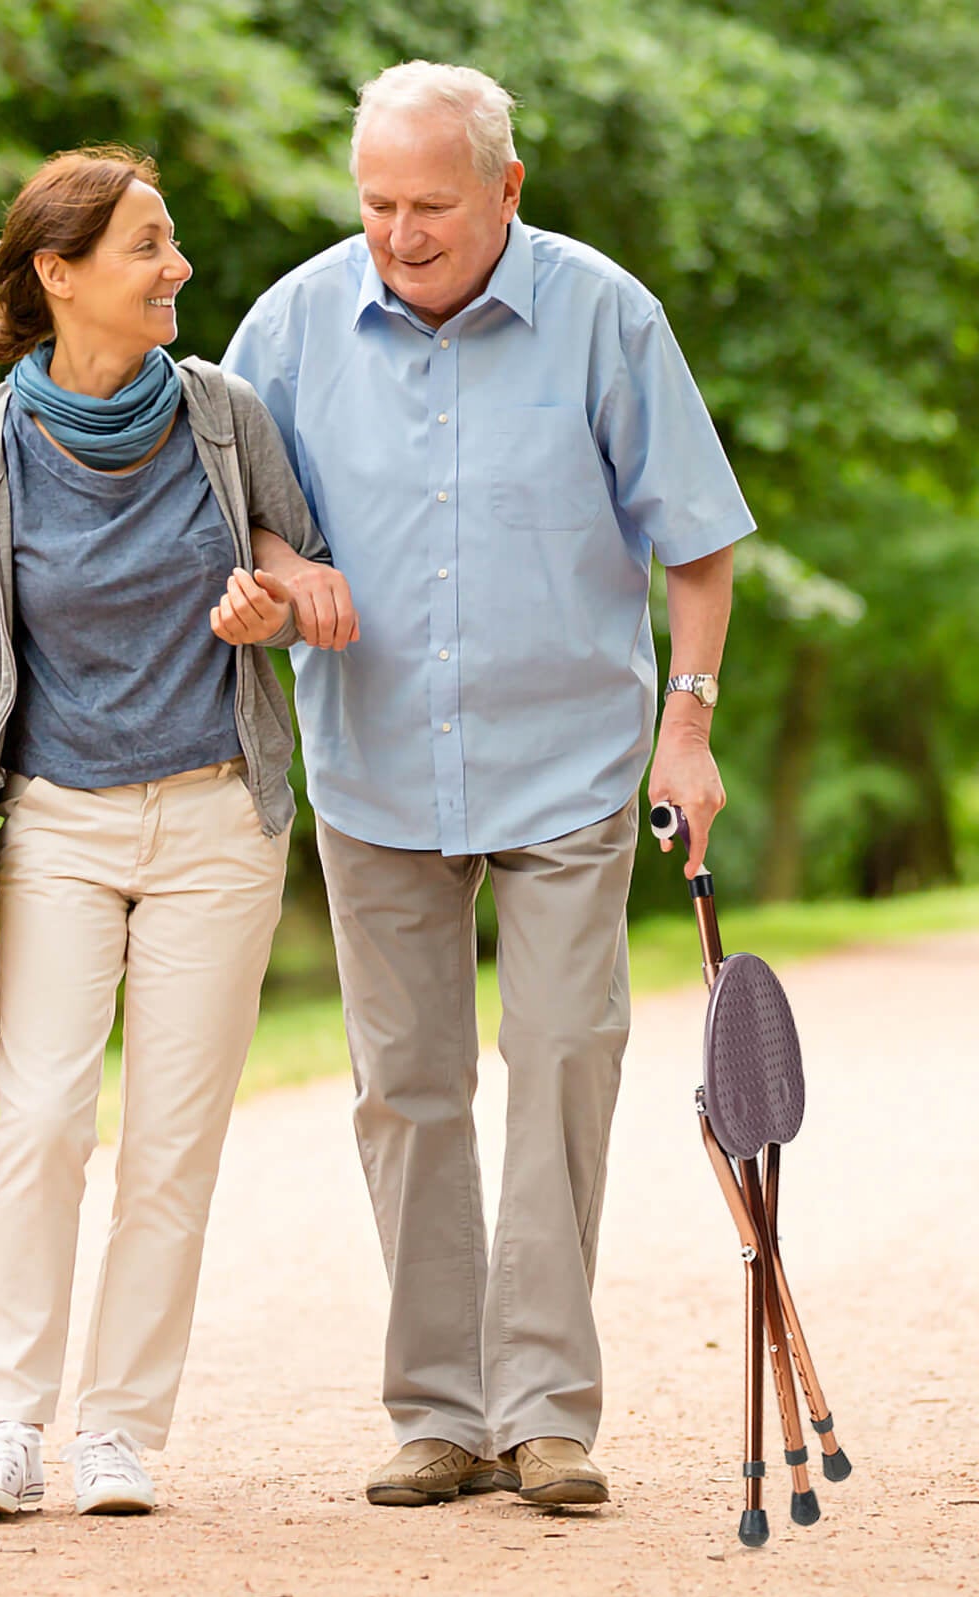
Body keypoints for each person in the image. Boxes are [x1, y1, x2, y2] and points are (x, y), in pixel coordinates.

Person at [225, 62, 755, 1508]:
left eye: (433, 207)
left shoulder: (606, 316)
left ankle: (546, 1413)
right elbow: (236, 528)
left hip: (568, 762)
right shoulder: (285, 326)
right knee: (404, 1087)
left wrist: (688, 728)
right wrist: (284, 576)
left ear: (507, 191)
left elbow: (697, 541)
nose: (400, 234)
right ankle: (442, 1414)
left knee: (568, 1056)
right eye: (379, 204)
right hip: (374, 765)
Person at [0, 146, 353, 1518]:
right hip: (55, 823)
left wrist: (268, 612)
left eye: (169, 244)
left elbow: (296, 566)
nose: (176, 270)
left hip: (219, 817)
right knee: (43, 1119)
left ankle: (118, 1430)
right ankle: (6, 1423)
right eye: (147, 247)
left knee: (174, 1140)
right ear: (60, 274)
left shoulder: (225, 415)